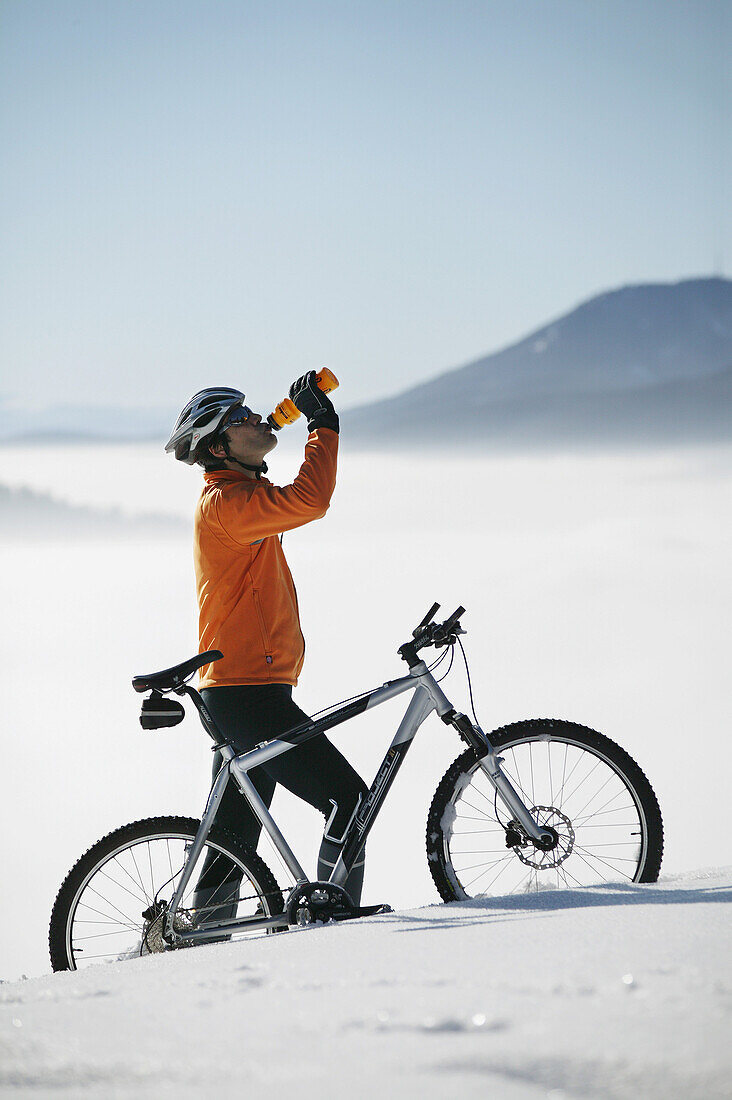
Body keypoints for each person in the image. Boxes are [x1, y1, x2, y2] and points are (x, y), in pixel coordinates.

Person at [165, 373, 369, 925]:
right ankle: (337, 920)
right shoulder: (229, 504)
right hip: (247, 693)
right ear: (217, 446)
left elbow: (293, 501)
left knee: (232, 839)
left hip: (241, 691)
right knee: (349, 801)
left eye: (253, 410)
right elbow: (312, 500)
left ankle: (201, 939)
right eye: (240, 418)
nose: (257, 418)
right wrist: (322, 425)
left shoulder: (238, 497)